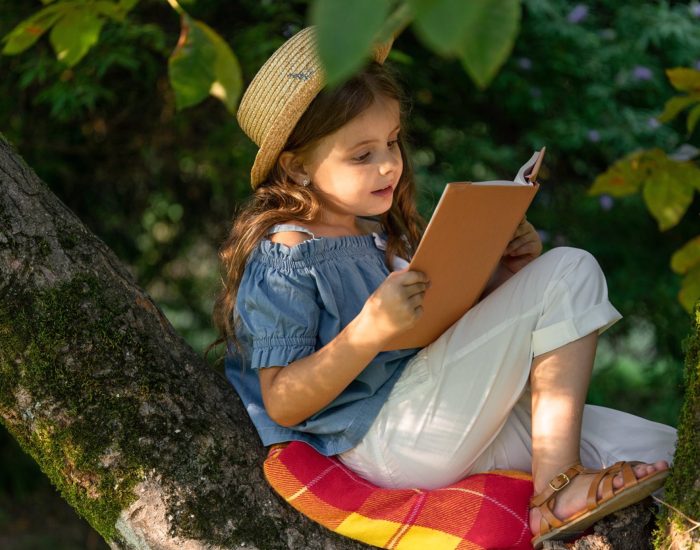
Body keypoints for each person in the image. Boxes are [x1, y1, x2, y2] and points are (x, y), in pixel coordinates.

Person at [211, 26, 677, 548]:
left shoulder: (376, 237)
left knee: (667, 452)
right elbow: (282, 402)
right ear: (297, 167)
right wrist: (367, 332)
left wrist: (504, 275)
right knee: (571, 269)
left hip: (447, 416)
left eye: (391, 143)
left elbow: (443, 331)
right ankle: (557, 487)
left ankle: (570, 476)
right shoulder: (289, 252)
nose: (389, 164)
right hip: (386, 435)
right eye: (361, 155)